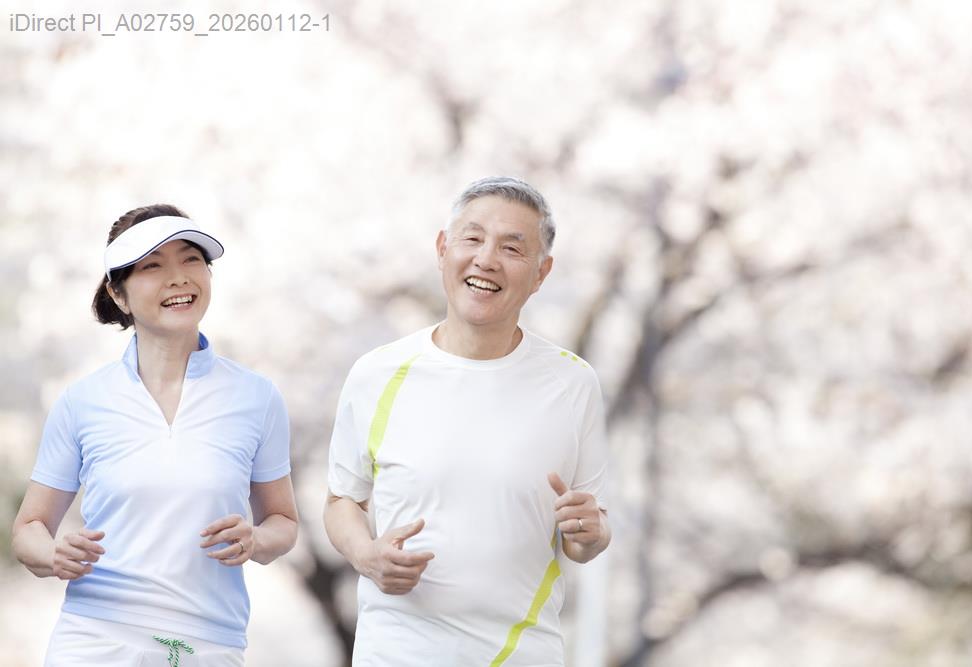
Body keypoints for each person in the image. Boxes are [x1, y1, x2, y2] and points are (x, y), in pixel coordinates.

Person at [324, 177, 611, 666]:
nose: (486, 259)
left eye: (512, 248)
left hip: (520, 653)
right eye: (472, 239)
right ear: (443, 249)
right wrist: (365, 554)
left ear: (542, 273)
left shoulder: (572, 383)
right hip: (397, 651)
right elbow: (341, 501)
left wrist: (590, 534)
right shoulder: (377, 373)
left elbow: (589, 530)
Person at [11, 205, 299, 666]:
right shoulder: (82, 402)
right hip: (95, 639)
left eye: (191, 260)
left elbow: (283, 522)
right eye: (152, 266)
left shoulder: (257, 398)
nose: (179, 278)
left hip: (210, 643)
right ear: (118, 294)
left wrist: (256, 540)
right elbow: (28, 530)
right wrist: (53, 554)